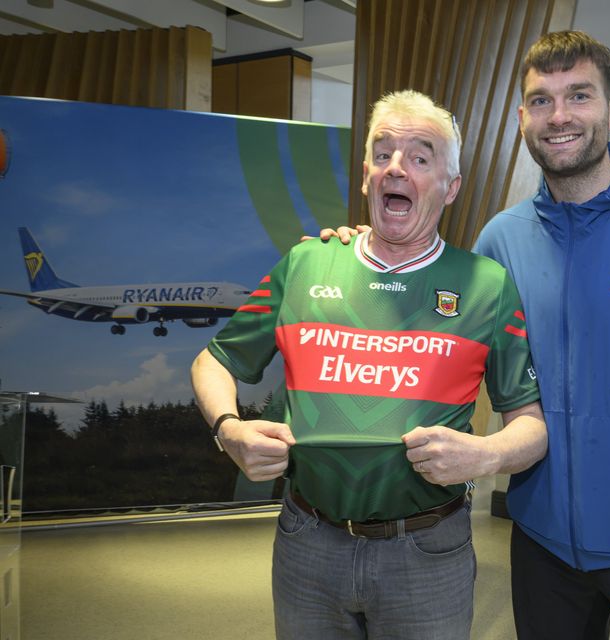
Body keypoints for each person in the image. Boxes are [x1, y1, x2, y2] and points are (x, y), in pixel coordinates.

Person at [322, 30, 610, 640]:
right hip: (541, 546)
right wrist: (359, 253)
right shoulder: (502, 240)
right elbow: (432, 338)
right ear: (522, 117)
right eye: (540, 100)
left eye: (578, 96)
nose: (559, 116)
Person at [190, 89, 546, 640]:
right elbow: (213, 362)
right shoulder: (306, 264)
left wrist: (486, 454)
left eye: (420, 157)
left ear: (450, 188)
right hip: (307, 543)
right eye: (383, 155)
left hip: (428, 555)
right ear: (365, 178)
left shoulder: (486, 286)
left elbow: (533, 426)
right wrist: (228, 429)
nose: (396, 168)